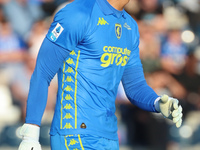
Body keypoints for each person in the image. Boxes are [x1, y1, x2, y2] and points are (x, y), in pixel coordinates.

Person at [18, 0, 183, 149]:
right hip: (74, 133)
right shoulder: (78, 13)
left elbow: (135, 86)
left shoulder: (130, 26)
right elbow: (42, 73)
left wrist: (156, 103)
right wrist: (30, 134)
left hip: (109, 136)